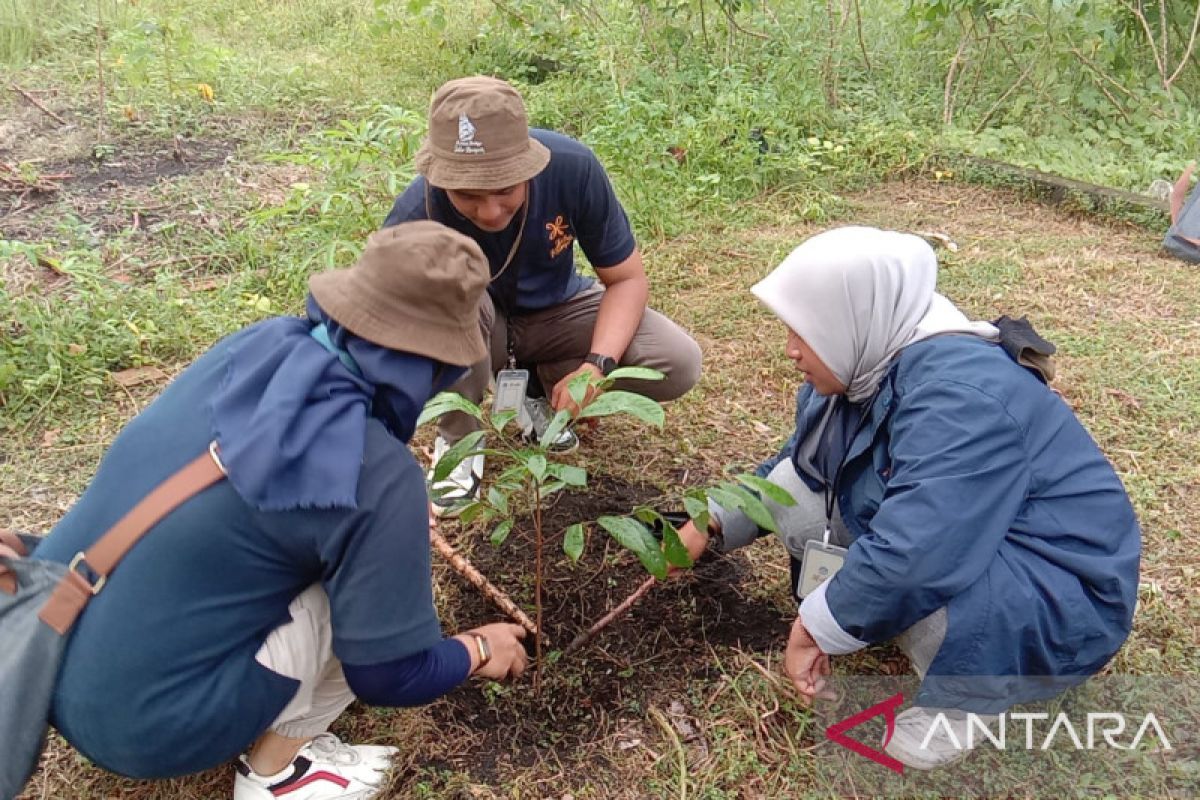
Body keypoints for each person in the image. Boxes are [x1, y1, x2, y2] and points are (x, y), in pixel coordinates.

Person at [33, 222, 530, 800]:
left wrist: (372, 525)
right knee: (359, 604)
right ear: (442, 363)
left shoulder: (257, 345)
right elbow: (391, 672)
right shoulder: (376, 474)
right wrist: (480, 648)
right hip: (147, 732)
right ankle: (277, 776)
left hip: (45, 644)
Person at [675, 226, 1141, 770]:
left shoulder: (960, 400)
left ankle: (969, 699)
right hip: (970, 543)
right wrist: (708, 520)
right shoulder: (867, 357)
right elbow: (798, 461)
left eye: (803, 332)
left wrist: (813, 628)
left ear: (847, 320)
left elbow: (919, 550)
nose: (791, 350)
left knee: (918, 588)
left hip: (1056, 591)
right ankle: (879, 618)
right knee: (798, 493)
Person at [383, 75, 702, 514]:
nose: (490, 211)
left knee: (676, 360)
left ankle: (542, 391)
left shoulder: (572, 169)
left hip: (556, 311)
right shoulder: (417, 212)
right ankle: (459, 441)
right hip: (476, 334)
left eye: (504, 190)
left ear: (528, 165)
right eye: (469, 196)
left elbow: (627, 280)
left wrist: (595, 366)